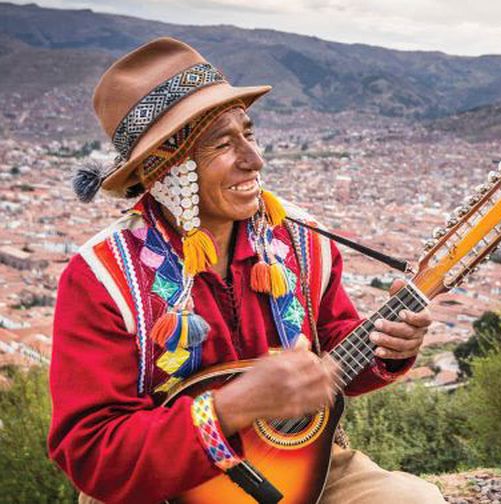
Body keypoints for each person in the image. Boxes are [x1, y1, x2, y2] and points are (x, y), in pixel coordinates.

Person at [48, 37, 447, 504]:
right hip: (160, 489)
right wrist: (232, 407)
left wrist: (388, 348)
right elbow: (91, 451)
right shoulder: (102, 277)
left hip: (302, 468)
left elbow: (335, 346)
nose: (254, 159)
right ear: (165, 169)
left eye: (249, 134)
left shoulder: (303, 241)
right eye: (222, 143)